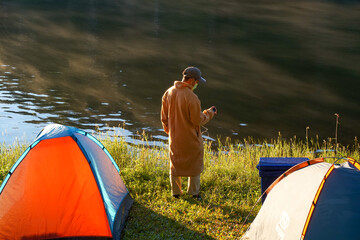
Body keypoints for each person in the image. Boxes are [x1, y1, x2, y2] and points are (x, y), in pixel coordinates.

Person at [161, 66, 217, 200]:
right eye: (197, 81)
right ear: (191, 80)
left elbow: (163, 117)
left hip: (174, 137)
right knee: (194, 163)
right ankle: (194, 193)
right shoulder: (192, 97)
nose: (197, 84)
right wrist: (209, 113)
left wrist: (170, 132)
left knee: (175, 163)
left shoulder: (168, 92)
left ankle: (176, 193)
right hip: (191, 138)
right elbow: (197, 119)